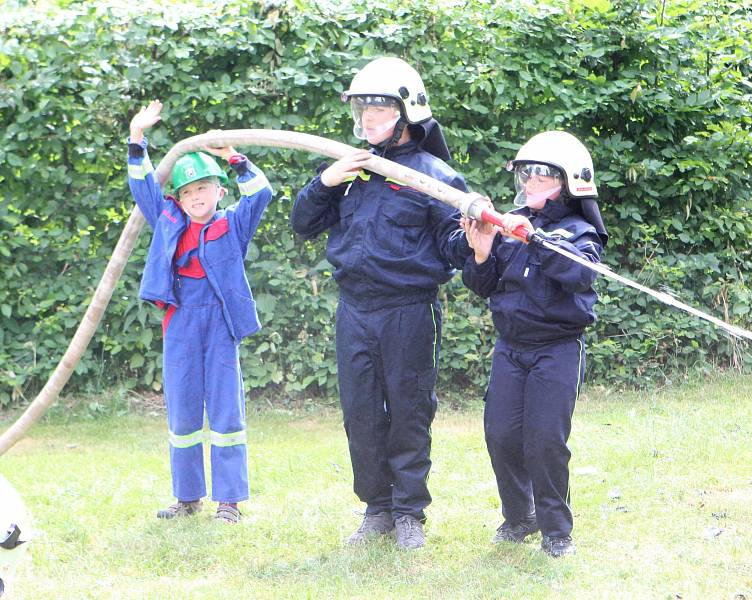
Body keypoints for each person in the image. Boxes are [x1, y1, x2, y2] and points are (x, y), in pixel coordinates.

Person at [291, 57, 472, 549]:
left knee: (410, 410)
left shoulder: (436, 177)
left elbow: (455, 251)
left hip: (408, 311)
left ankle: (410, 512)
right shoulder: (349, 169)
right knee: (361, 412)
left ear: (407, 111)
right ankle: (377, 508)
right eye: (361, 110)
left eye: (377, 108)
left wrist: (474, 235)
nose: (367, 119)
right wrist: (324, 182)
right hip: (354, 309)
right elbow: (303, 224)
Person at [460, 131, 608, 557]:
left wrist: (536, 239)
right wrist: (483, 251)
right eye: (525, 176)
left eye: (539, 178)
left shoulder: (581, 233)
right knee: (501, 434)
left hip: (557, 349)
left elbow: (579, 274)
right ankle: (518, 515)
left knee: (544, 440)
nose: (528, 185)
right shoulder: (512, 225)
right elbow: (483, 286)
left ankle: (556, 530)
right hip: (511, 348)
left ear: (568, 183)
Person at [127, 100, 273, 524]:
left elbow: (261, 192)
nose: (196, 197)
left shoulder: (233, 223)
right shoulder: (168, 217)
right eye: (188, 191)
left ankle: (228, 501)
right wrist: (137, 138)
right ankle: (186, 497)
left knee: (226, 411)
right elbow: (142, 187)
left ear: (219, 191)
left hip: (220, 323)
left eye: (204, 188)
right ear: (178, 197)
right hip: (181, 321)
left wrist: (234, 158)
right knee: (183, 411)